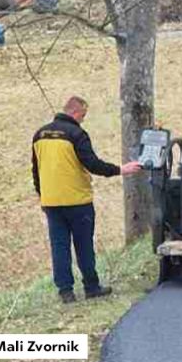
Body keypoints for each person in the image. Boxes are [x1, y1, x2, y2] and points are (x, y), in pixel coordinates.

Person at [32, 96, 143, 304]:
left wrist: (42, 196)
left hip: (51, 202)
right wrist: (121, 170)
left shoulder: (39, 135)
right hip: (77, 200)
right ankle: (91, 287)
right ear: (76, 112)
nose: (83, 119)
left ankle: (66, 291)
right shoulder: (76, 133)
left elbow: (36, 170)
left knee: (59, 246)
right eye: (83, 115)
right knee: (83, 245)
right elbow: (92, 163)